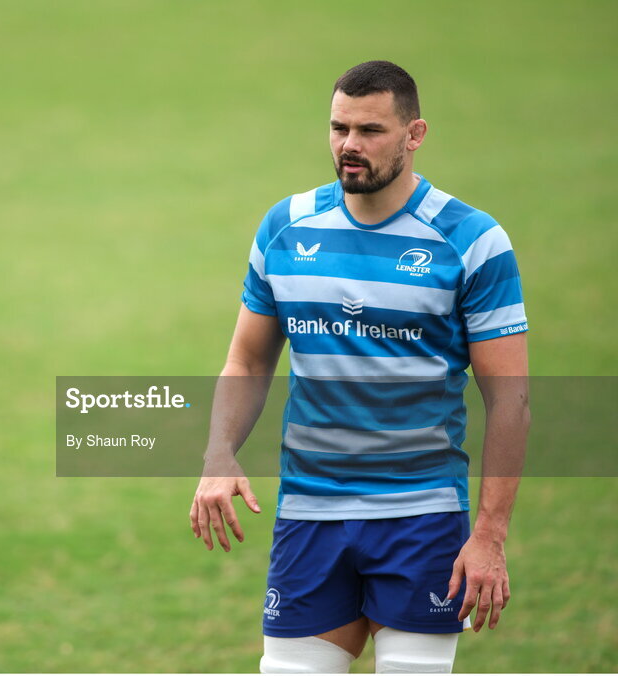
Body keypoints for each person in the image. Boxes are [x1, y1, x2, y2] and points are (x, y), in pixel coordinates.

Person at [189, 61, 529, 673]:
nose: (350, 145)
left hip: (420, 518)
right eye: (338, 127)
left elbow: (511, 401)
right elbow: (247, 357)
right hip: (308, 516)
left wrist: (490, 536)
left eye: (370, 130)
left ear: (414, 134)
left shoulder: (472, 241)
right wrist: (219, 455)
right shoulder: (286, 227)